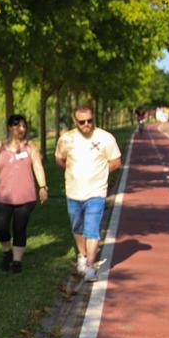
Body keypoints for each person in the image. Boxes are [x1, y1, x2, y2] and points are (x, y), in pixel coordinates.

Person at [55, 106, 122, 282]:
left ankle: (91, 267)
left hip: (96, 192)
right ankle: (82, 257)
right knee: (77, 227)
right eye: (82, 121)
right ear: (75, 121)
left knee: (92, 229)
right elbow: (60, 160)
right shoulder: (66, 139)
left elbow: (116, 162)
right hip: (73, 191)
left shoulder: (105, 138)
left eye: (90, 121)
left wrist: (100, 172)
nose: (87, 124)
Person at [0, 114, 48, 273]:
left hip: (25, 195)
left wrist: (43, 187)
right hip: (3, 196)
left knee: (20, 228)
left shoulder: (30, 146)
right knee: (1, 227)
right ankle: (7, 252)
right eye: (18, 126)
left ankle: (16, 261)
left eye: (24, 126)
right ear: (9, 127)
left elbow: (38, 166)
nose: (22, 129)